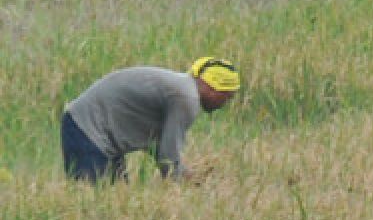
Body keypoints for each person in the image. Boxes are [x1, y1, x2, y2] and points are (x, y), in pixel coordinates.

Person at [61, 57, 240, 182]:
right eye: (227, 97)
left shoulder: (180, 87)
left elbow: (158, 145)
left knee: (116, 203)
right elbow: (167, 157)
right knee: (92, 205)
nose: (225, 103)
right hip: (87, 131)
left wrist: (183, 172)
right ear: (214, 88)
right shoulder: (187, 98)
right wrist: (183, 185)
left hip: (98, 136)